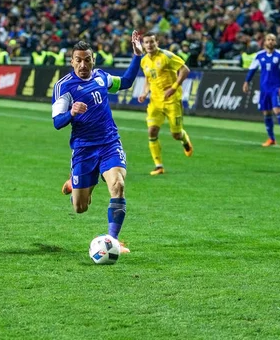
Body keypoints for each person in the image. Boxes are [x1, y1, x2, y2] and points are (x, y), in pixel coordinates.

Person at [55, 30, 144, 253]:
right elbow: (57, 122)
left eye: (87, 60)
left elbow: (126, 82)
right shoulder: (63, 86)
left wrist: (137, 57)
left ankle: (113, 239)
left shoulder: (101, 77)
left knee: (118, 186)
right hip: (84, 148)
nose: (83, 64)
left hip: (109, 143)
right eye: (78, 60)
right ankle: (74, 184)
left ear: (93, 60)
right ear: (72, 61)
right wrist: (72, 113)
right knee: (80, 207)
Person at [137, 32, 193, 176]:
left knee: (175, 134)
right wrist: (144, 93)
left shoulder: (166, 56)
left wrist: (173, 88)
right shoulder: (144, 61)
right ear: (143, 45)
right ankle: (158, 166)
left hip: (172, 100)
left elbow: (185, 70)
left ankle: (184, 139)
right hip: (155, 102)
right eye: (146, 42)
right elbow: (148, 79)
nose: (149, 45)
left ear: (157, 43)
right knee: (152, 131)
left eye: (152, 42)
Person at [242, 33, 280, 147]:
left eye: (273, 40)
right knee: (266, 112)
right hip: (264, 89)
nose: (270, 42)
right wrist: (246, 82)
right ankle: (271, 138)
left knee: (277, 110)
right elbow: (252, 70)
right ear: (265, 42)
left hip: (276, 88)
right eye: (269, 39)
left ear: (276, 42)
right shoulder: (259, 56)